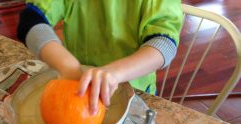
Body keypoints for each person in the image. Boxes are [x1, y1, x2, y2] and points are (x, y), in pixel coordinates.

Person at [17, 0, 183, 114]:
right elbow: (31, 20)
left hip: (134, 89)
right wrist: (67, 65)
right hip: (78, 85)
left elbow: (164, 43)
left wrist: (114, 72)